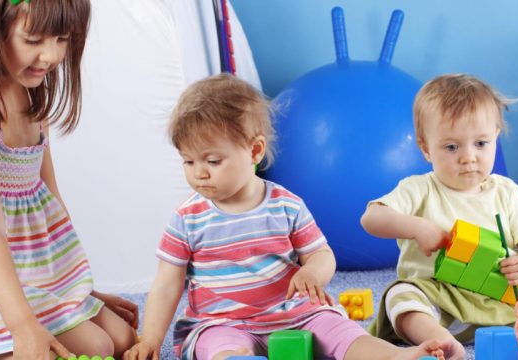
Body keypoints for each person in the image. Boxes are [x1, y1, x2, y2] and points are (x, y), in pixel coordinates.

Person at [122, 74, 448, 360]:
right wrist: (151, 338)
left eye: (212, 161)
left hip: (294, 314)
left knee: (339, 330)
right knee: (218, 346)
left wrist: (313, 274)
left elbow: (322, 255)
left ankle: (394, 356)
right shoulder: (187, 219)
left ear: (254, 151)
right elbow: (167, 284)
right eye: (188, 162)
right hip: (222, 321)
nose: (199, 174)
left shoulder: (285, 205)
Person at [0, 1, 138, 359]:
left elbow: (49, 196)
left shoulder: (29, 87)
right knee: (94, 347)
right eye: (33, 39)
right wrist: (23, 327)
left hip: (32, 267)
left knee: (122, 339)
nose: (50, 56)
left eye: (62, 39)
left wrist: (77, 288)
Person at [361, 74, 518, 360]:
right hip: (439, 300)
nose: (468, 157)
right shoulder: (419, 188)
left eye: (480, 143)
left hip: (499, 298)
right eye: (452, 147)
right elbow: (371, 218)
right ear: (426, 148)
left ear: (495, 138)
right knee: (399, 296)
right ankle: (442, 342)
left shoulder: (505, 191)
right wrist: (416, 227)